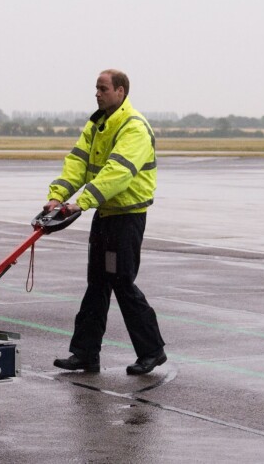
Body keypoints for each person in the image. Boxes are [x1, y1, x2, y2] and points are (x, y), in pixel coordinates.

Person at [46, 69, 166, 375]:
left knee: (122, 283)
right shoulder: (97, 124)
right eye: (96, 88)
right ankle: (85, 354)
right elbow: (77, 163)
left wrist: (81, 203)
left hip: (125, 218)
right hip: (105, 214)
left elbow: (117, 172)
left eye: (103, 88)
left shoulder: (134, 127)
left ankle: (151, 351)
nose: (97, 93)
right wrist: (57, 196)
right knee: (97, 283)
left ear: (121, 92)